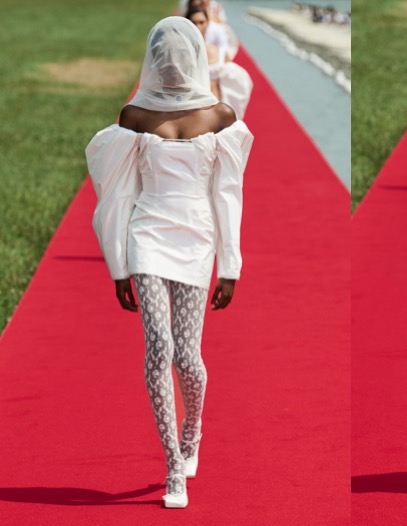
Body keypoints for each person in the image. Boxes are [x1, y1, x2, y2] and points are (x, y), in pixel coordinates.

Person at [85, 16, 253, 509]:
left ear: (196, 58)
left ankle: (193, 427)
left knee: (188, 358)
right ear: (153, 60)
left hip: (197, 240)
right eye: (164, 55)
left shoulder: (220, 117)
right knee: (159, 347)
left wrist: (230, 266)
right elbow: (118, 194)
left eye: (181, 55)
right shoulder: (134, 116)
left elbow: (228, 196)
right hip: (147, 236)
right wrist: (118, 265)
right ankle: (173, 466)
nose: (172, 64)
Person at [186, 6, 254, 118]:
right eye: (194, 22)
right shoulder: (183, 53)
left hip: (217, 107)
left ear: (207, 23)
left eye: (201, 22)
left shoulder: (219, 52)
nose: (198, 26)